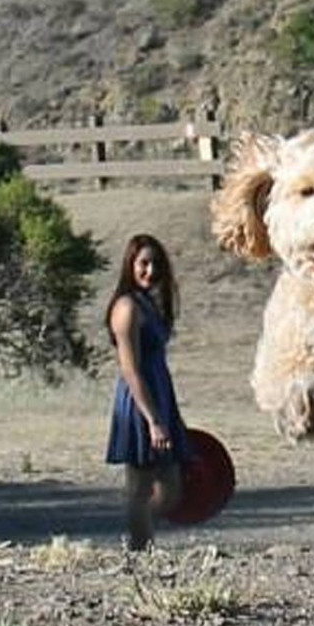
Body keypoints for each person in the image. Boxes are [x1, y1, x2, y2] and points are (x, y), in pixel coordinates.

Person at [104, 234, 190, 550]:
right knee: (141, 486)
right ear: (131, 265)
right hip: (140, 401)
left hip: (160, 394)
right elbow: (130, 369)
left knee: (170, 487)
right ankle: (139, 550)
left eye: (155, 263)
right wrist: (153, 419)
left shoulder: (147, 304)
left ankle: (136, 535)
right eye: (143, 263)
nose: (150, 270)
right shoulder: (126, 307)